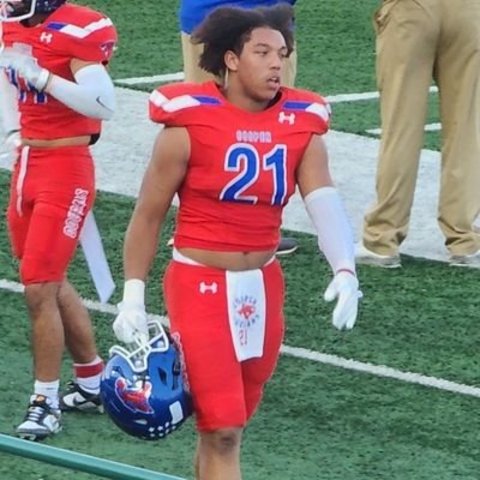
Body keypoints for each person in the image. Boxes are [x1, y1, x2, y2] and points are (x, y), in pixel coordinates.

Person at [113, 5, 361, 479]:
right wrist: (132, 296)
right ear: (231, 59)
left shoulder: (301, 122)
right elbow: (148, 215)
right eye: (262, 52)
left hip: (263, 284)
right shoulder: (189, 123)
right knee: (223, 430)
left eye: (282, 53)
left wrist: (345, 268)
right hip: (200, 282)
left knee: (228, 426)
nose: (276, 63)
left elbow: (324, 200)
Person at [0, 0, 117, 440]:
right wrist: (12, 130)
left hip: (66, 167)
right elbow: (6, 79)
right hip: (27, 164)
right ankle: (91, 381)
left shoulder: (77, 29)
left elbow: (103, 103)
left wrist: (44, 78)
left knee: (39, 287)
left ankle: (44, 401)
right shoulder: (11, 26)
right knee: (44, 277)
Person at [357, 0, 480, 268]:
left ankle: (383, 238)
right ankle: (464, 239)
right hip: (468, 11)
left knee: (400, 128)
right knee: (466, 130)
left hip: (411, 10)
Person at [178, 0, 299, 256]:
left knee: (202, 128)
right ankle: (236, 229)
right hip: (259, 23)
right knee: (264, 129)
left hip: (209, 16)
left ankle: (201, 227)